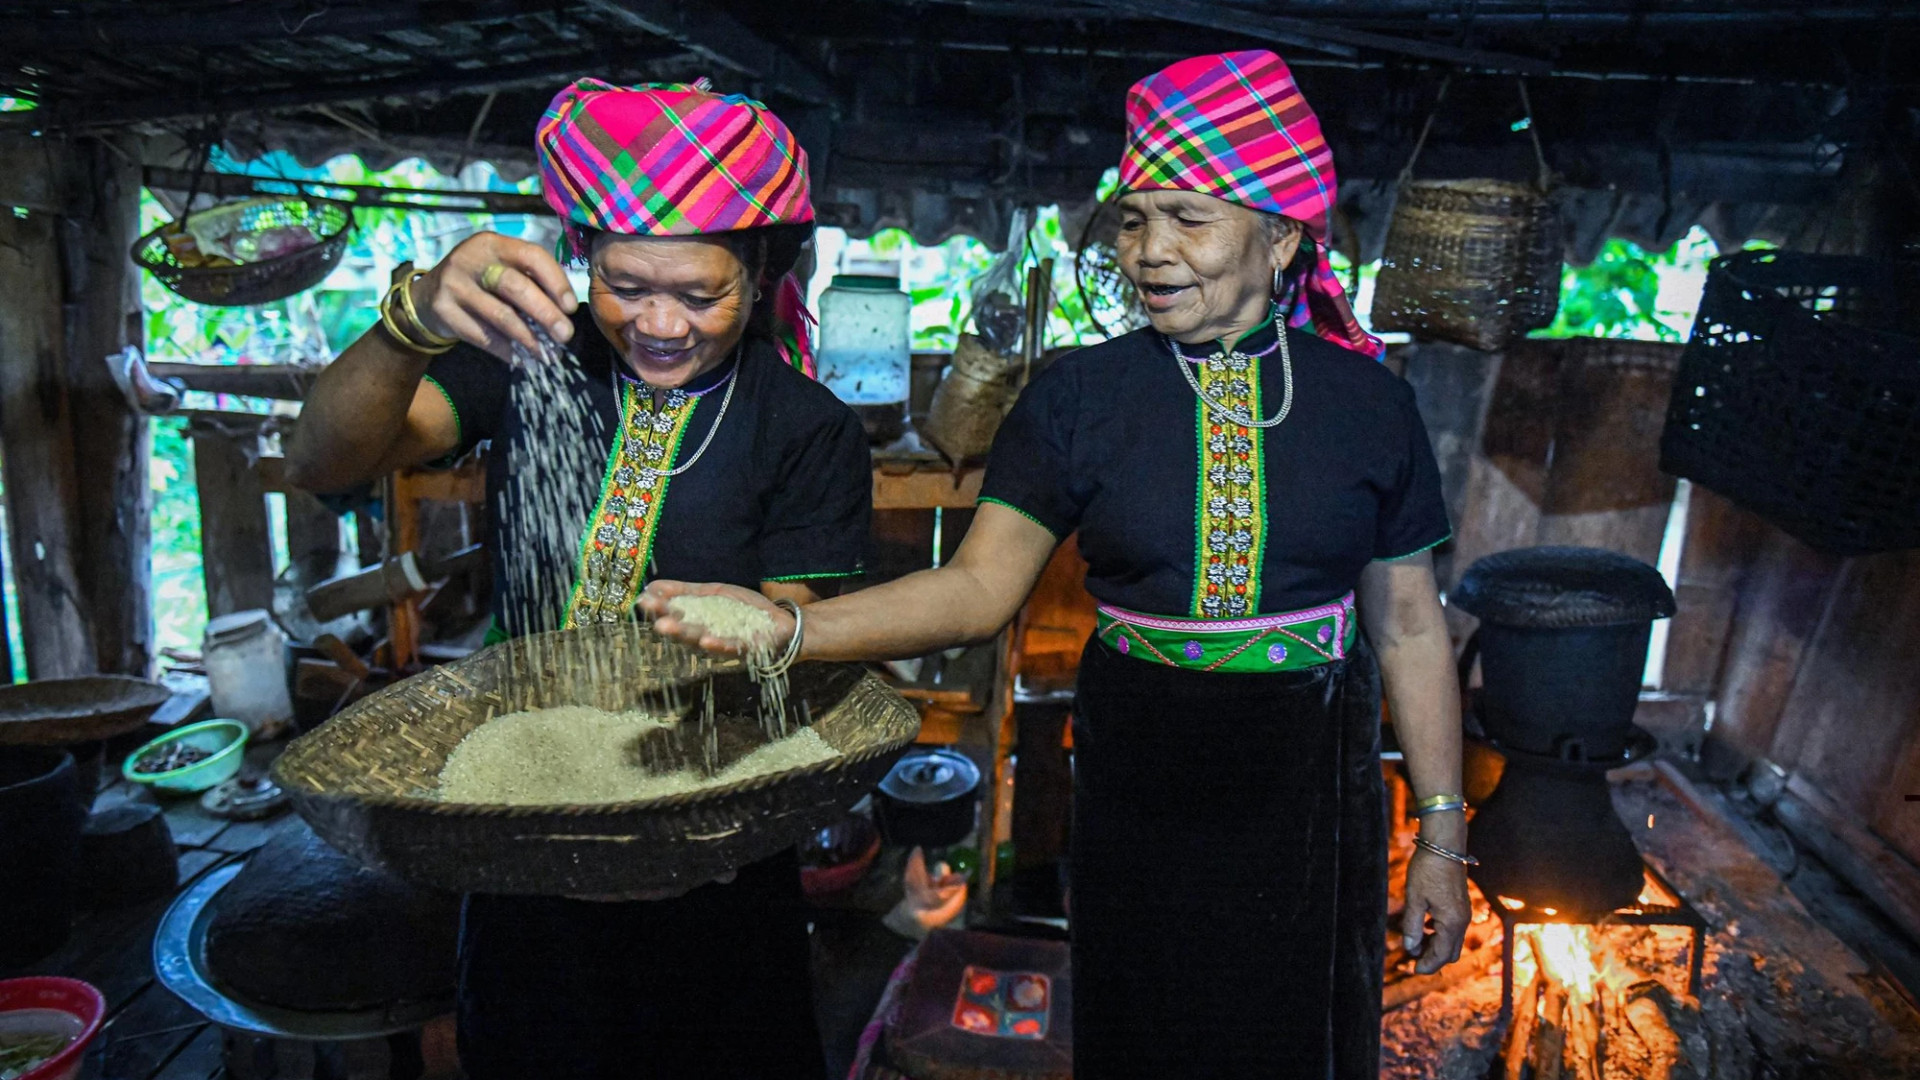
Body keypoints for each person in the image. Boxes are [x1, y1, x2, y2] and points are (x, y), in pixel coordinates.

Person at [644, 51, 1471, 1077]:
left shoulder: (1370, 407)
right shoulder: (1078, 399)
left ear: (1284, 233)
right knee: (1140, 1023)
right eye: (1133, 219)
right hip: (1143, 765)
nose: (1149, 252)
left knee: (1291, 1031)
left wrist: (1441, 835)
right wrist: (795, 629)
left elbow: (1407, 626)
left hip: (1305, 778)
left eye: (1188, 219)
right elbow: (977, 588)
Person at [287, 78, 866, 1079]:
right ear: (579, 257)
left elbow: (790, 631)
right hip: (521, 813)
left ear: (761, 268)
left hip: (707, 812)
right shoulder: (532, 363)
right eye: (626, 283)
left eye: (700, 293)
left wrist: (738, 651)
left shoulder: (803, 427)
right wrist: (411, 320)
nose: (661, 324)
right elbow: (323, 463)